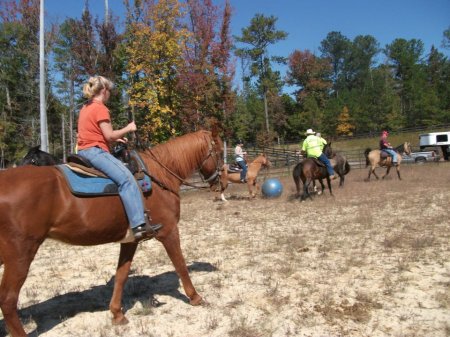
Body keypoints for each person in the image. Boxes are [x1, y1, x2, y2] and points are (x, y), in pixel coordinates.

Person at [76, 75, 162, 240]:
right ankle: (139, 225)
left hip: (83, 150)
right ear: (104, 91)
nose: (110, 94)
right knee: (127, 180)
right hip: (95, 152)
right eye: (109, 91)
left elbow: (97, 133)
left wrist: (117, 137)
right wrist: (128, 128)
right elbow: (108, 135)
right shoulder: (100, 108)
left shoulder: (85, 107)